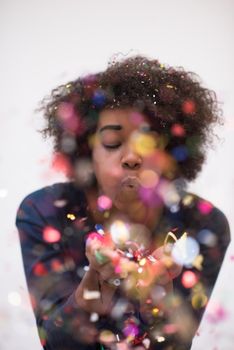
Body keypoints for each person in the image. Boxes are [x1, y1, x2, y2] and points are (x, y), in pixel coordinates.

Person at [16, 55, 230, 350]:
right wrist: (85, 301)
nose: (131, 158)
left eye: (149, 143)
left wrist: (159, 307)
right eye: (113, 143)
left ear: (172, 154)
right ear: (85, 150)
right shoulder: (45, 211)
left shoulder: (202, 223)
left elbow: (175, 344)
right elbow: (53, 342)